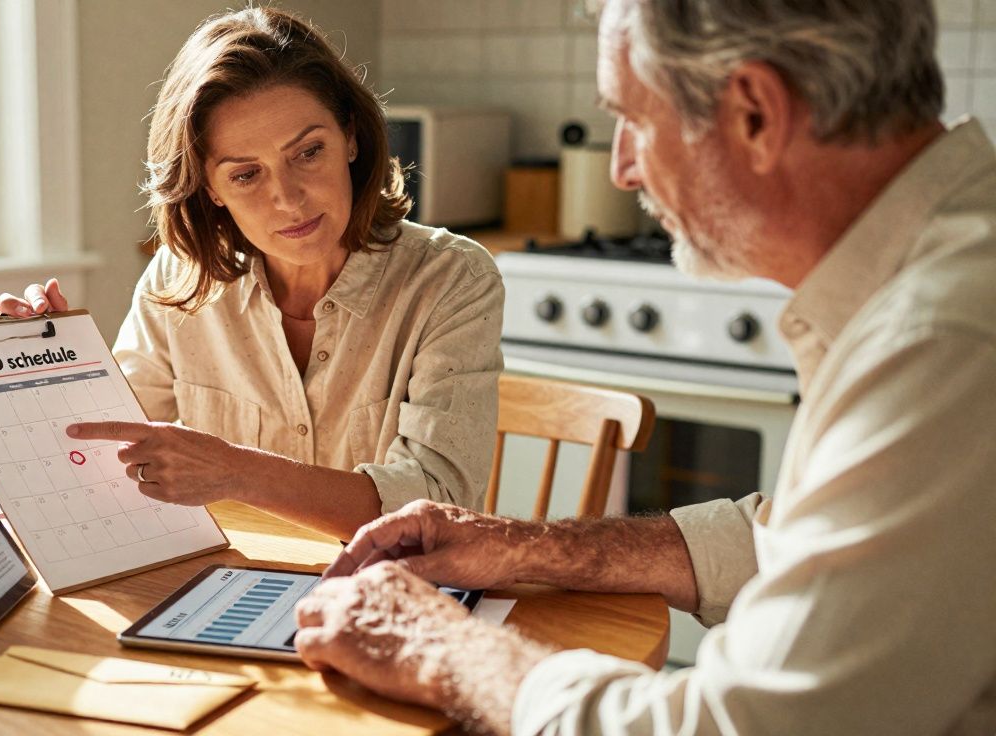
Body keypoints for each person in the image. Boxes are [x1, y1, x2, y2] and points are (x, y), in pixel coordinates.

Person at [294, 0, 996, 733]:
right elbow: (785, 540)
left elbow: (738, 725)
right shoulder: (937, 271)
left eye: (633, 119)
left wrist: (443, 647)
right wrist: (523, 547)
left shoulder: (941, 343)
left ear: (756, 113)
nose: (623, 169)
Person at [0, 7, 503, 540]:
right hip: (233, 576)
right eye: (246, 174)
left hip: (392, 582)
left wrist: (234, 471)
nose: (288, 199)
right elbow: (108, 453)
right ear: (210, 187)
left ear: (350, 136)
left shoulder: (452, 278)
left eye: (309, 152)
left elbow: (439, 505)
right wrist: (54, 373)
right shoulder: (181, 278)